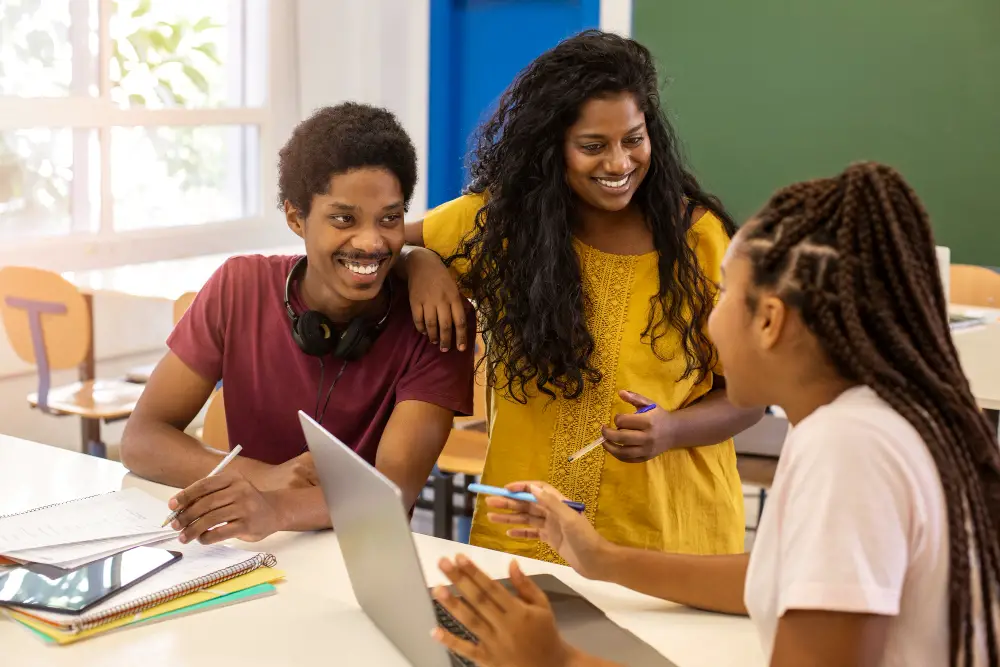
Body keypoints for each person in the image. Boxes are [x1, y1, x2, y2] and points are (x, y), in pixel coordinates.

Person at [429, 162, 1000, 667]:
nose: (708, 320)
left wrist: (557, 662)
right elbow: (773, 578)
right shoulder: (859, 420)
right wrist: (598, 557)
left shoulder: (849, 449)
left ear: (770, 321)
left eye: (725, 293)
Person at [399, 29, 763, 563]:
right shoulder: (501, 223)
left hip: (668, 546)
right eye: (593, 146)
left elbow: (749, 395)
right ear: (552, 150)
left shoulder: (700, 239)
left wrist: (672, 429)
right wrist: (418, 262)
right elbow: (369, 243)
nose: (618, 164)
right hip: (524, 537)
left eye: (633, 139)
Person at [120, 103, 475, 545]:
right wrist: (263, 479)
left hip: (361, 555)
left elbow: (391, 492)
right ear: (295, 218)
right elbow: (141, 440)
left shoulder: (436, 321)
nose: (371, 241)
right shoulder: (239, 286)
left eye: (390, 218)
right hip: (245, 544)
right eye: (343, 218)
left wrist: (276, 506)